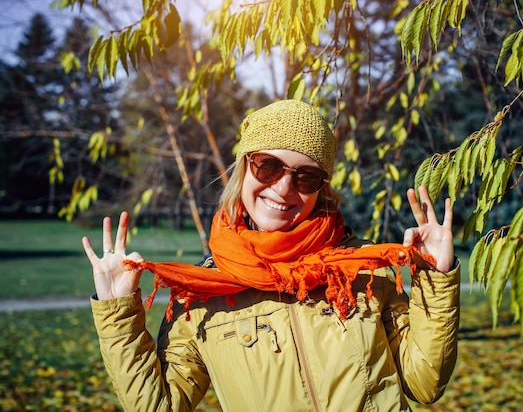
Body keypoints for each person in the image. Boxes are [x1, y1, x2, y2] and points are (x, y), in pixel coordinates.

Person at [82, 99, 460, 411]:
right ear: (244, 168)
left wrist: (436, 278)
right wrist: (119, 314)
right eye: (269, 166)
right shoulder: (201, 296)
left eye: (305, 176)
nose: (283, 188)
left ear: (320, 189)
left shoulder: (360, 272)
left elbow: (424, 384)